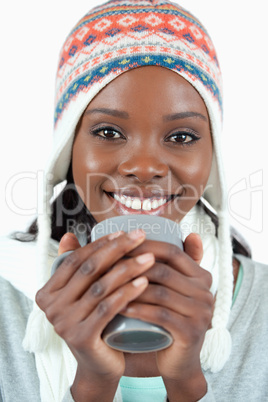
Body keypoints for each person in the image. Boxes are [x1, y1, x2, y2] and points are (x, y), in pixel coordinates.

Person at [0, 0, 267, 401]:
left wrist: (187, 384)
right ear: (68, 147)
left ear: (212, 158)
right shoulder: (8, 305)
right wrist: (92, 385)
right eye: (108, 132)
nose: (144, 167)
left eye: (181, 137)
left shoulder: (261, 309)